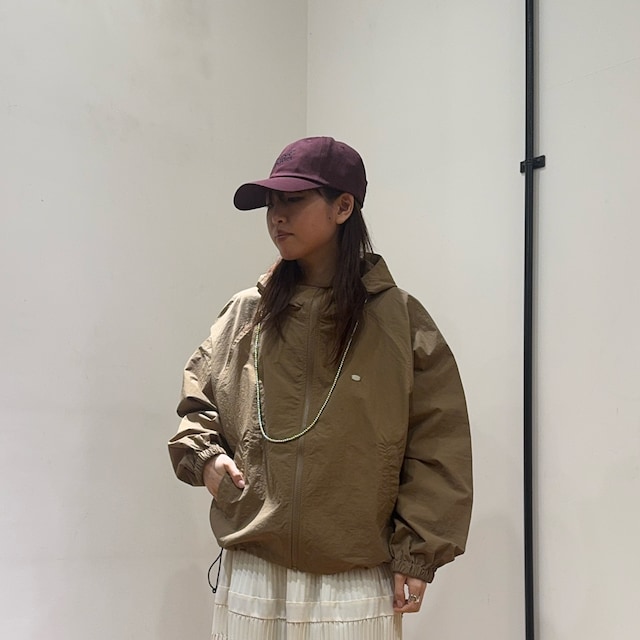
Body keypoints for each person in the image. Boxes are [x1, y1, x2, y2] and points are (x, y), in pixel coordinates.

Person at [169, 136, 473, 640]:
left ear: (343, 206)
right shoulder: (247, 313)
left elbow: (437, 443)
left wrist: (417, 553)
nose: (277, 215)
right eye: (272, 202)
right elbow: (200, 401)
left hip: (354, 575)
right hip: (253, 567)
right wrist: (205, 459)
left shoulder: (398, 320)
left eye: (293, 199)